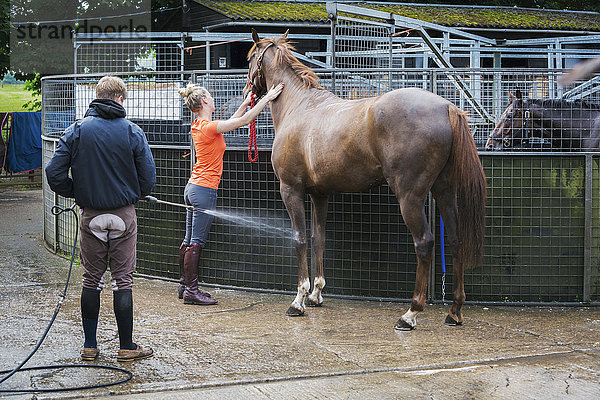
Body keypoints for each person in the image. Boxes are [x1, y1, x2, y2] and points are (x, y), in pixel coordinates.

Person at [45, 76, 156, 362]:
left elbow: (54, 173)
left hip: (91, 216)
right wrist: (134, 194)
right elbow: (149, 179)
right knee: (123, 281)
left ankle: (90, 346)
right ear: (120, 98)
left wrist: (78, 192)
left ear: (98, 96)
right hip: (123, 215)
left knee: (91, 281)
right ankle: (127, 346)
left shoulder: (77, 130)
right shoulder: (132, 131)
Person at [177, 82, 284, 305]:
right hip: (204, 189)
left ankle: (184, 286)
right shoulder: (207, 126)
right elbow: (243, 122)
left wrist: (246, 103)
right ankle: (191, 291)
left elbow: (231, 123)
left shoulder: (199, 124)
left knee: (188, 241)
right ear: (204, 101)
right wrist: (267, 98)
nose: (213, 98)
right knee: (196, 242)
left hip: (193, 188)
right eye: (210, 95)